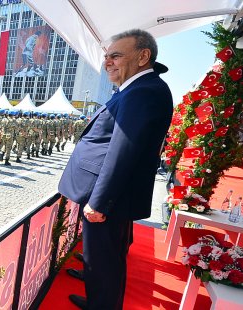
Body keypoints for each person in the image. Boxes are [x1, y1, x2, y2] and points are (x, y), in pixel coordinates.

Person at [58, 29, 172, 310]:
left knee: (105, 260)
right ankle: (98, 295)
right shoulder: (138, 89)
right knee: (104, 256)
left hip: (108, 197)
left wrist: (99, 201)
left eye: (116, 55)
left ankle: (102, 305)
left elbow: (123, 149)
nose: (107, 62)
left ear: (143, 56)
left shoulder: (142, 91)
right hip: (111, 194)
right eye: (106, 56)